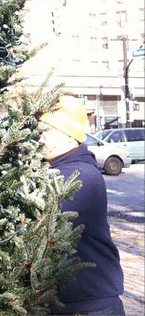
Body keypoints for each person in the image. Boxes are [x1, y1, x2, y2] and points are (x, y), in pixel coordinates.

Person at [38, 95, 125, 316]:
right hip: (65, 305)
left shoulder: (81, 175)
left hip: (91, 306)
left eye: (46, 130)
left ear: (69, 136)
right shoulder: (51, 168)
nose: (38, 138)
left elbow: (36, 214)